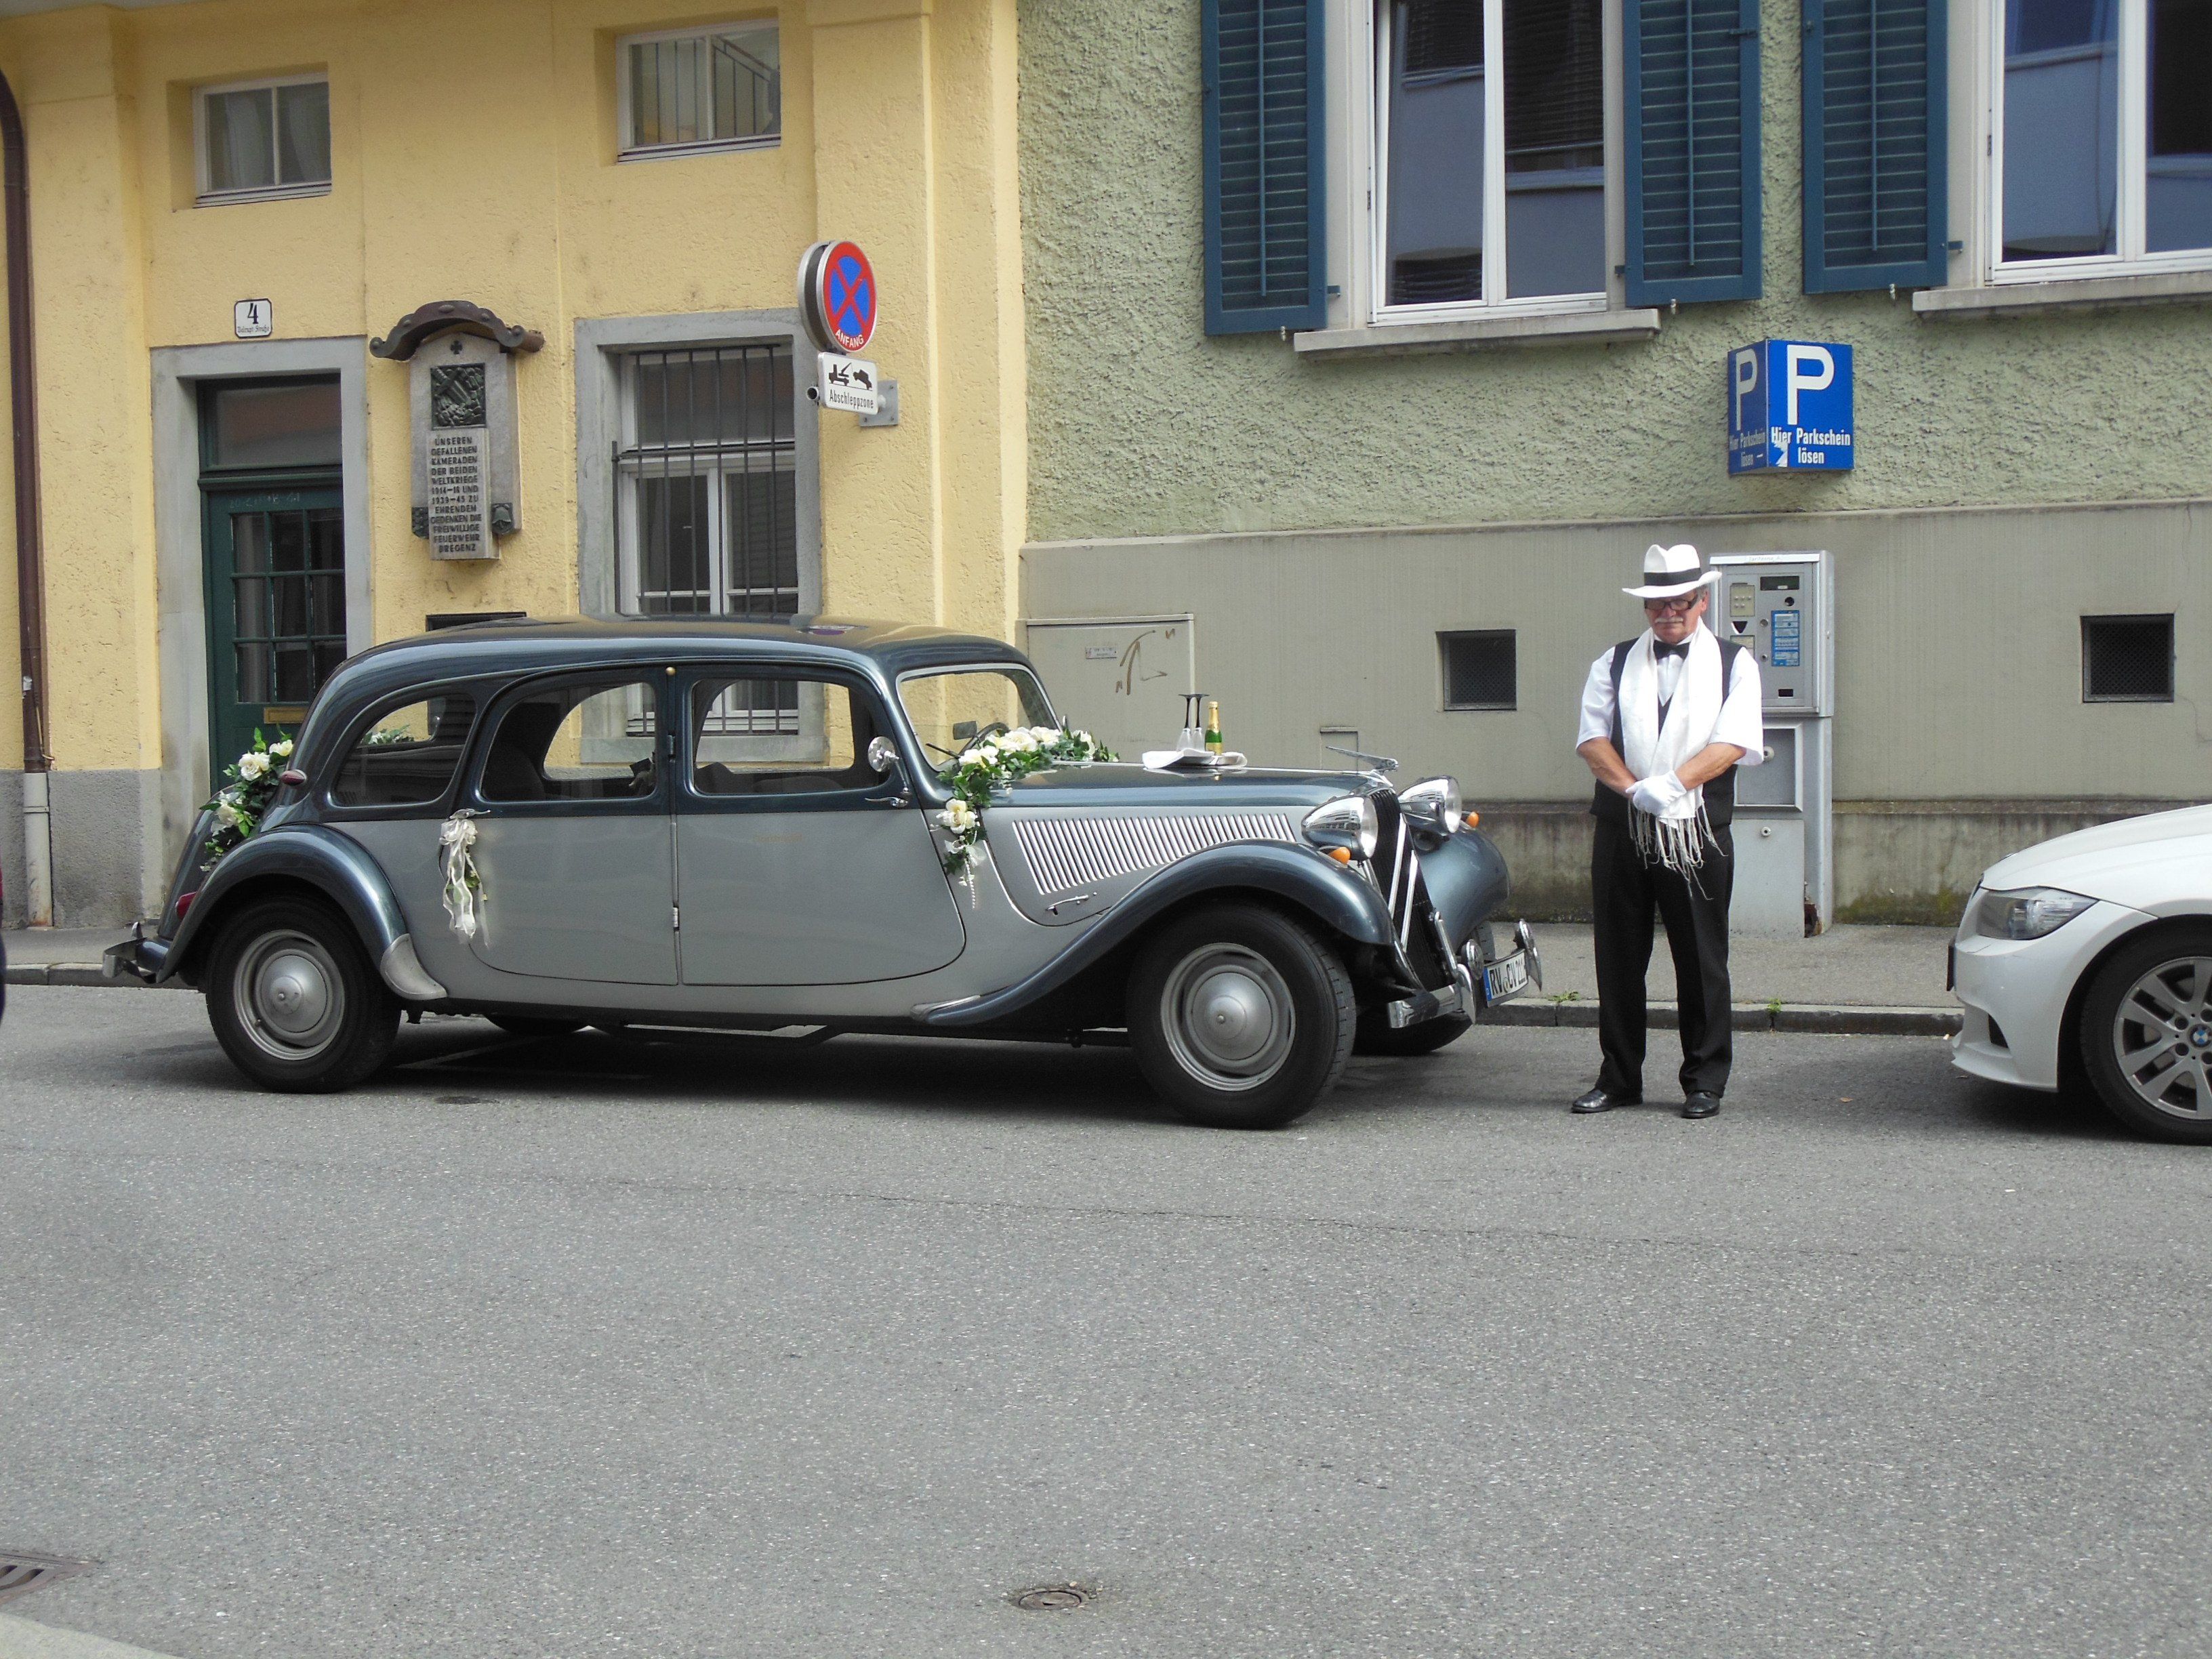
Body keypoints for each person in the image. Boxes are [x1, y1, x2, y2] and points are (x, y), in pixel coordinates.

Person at [1570, 544, 1764, 1120]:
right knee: (1618, 959)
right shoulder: (1612, 662)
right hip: (1623, 827)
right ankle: (1619, 1078)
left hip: (1696, 831)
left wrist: (1673, 785)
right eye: (1657, 604)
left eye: (1680, 602)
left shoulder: (1735, 663)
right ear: (1646, 607)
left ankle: (1705, 1081)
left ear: (1701, 601)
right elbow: (1591, 740)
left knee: (1702, 960)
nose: (1668, 613)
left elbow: (1733, 743)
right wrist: (1635, 791)